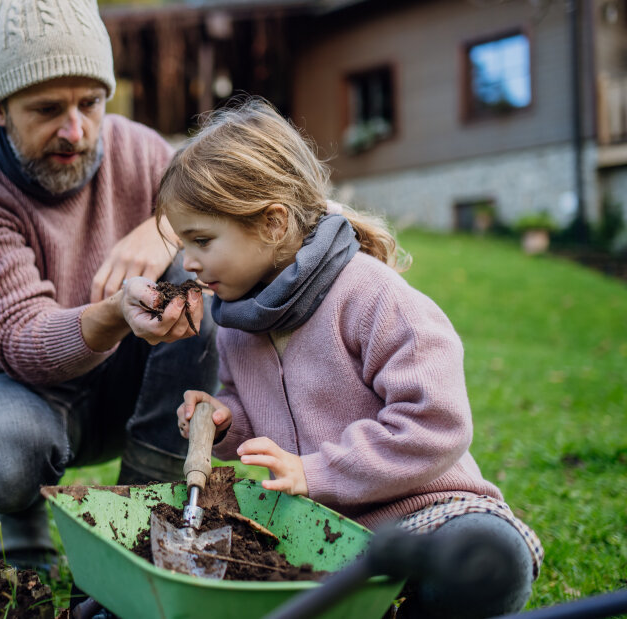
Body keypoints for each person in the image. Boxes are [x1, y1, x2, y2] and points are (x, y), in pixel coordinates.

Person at [160, 97, 543, 619]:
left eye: (201, 240)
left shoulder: (370, 296)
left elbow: (436, 423)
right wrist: (227, 422)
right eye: (183, 243)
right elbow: (266, 425)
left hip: (424, 511)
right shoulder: (236, 322)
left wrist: (316, 472)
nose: (188, 262)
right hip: (327, 536)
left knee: (485, 556)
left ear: (273, 223)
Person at [0, 0, 218, 572]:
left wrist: (169, 229)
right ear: (1, 108)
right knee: (5, 456)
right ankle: (23, 518)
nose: (75, 130)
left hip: (136, 384)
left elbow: (231, 213)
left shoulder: (143, 151)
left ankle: (142, 518)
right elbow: (24, 340)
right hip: (20, 390)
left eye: (91, 103)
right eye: (47, 108)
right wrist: (112, 311)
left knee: (193, 277)